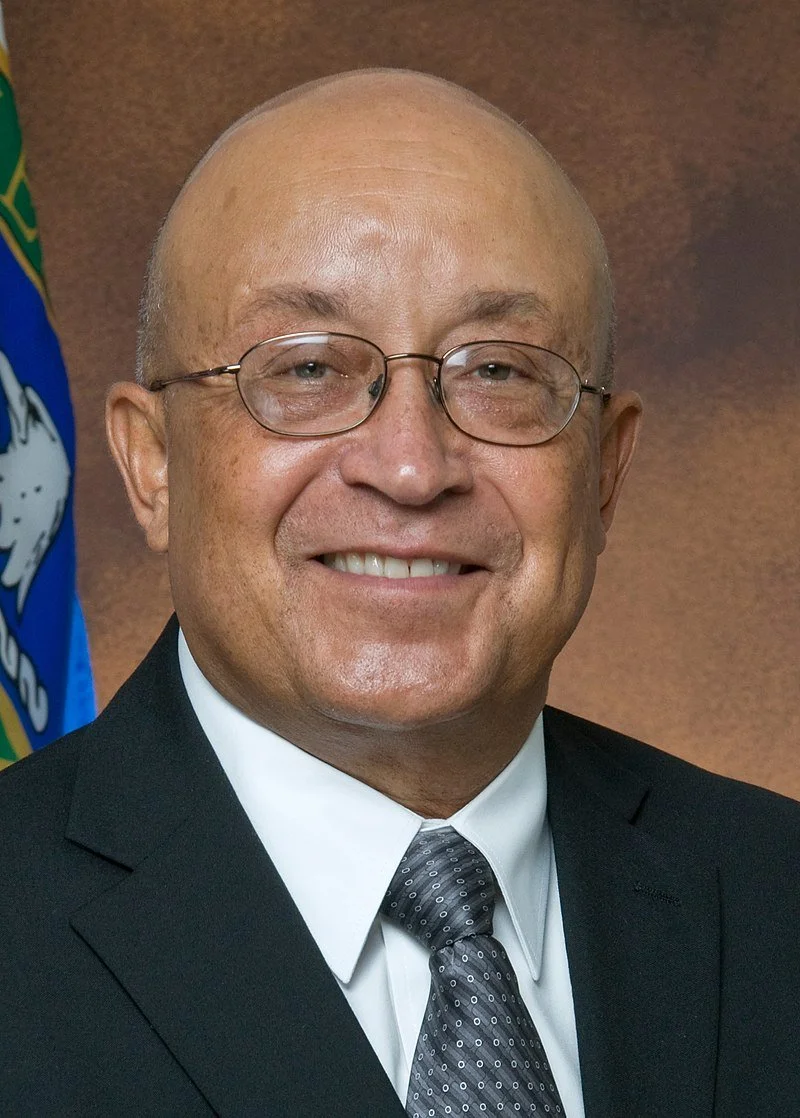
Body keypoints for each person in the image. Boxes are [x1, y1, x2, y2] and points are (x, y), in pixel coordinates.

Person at [2, 70, 798, 1118]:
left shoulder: (773, 896)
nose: (412, 467)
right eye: (305, 369)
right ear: (151, 462)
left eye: (501, 373)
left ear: (602, 470)